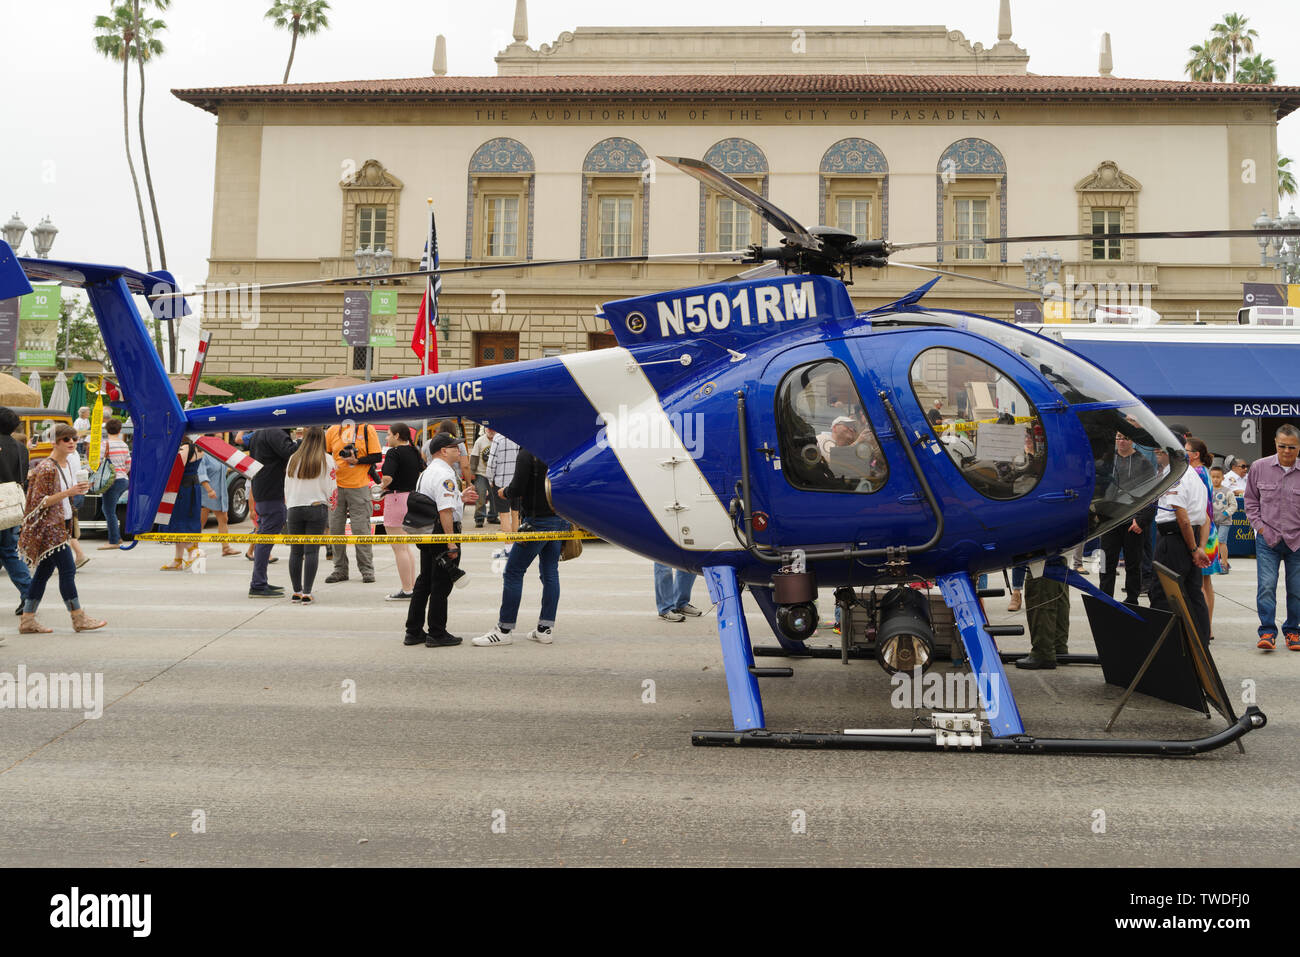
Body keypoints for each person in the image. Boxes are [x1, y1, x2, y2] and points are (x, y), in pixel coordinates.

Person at [473, 448, 570, 646]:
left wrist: (504, 492)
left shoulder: (529, 452)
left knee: (513, 572)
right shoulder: (559, 449)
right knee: (550, 572)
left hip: (536, 521)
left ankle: (504, 629)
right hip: (559, 518)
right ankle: (545, 628)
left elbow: (517, 488)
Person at [17, 423, 105, 633]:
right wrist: (69, 492)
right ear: (55, 442)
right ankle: (78, 617)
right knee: (68, 569)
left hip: (60, 525)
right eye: (66, 439)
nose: (72, 442)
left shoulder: (66, 465)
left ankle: (27, 620)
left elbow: (65, 495)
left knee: (43, 572)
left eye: (74, 439)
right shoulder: (47, 468)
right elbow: (39, 502)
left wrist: (78, 490)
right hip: (49, 529)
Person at [404, 432, 478, 647]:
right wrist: (451, 542)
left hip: (427, 531)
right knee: (441, 584)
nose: (459, 450)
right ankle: (437, 632)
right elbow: (445, 512)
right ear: (443, 451)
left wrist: (459, 498)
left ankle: (414, 630)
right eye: (455, 447)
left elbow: (435, 502)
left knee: (424, 581)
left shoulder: (426, 472)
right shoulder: (445, 475)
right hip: (442, 532)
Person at [1148, 447, 1212, 646]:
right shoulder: (1193, 475)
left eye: (1160, 448)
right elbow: (1205, 519)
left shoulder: (1177, 475)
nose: (1156, 451)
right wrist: (1199, 547)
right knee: (1193, 593)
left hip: (1175, 539)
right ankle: (1201, 644)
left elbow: (1182, 518)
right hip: (1189, 538)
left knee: (1162, 593)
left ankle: (1165, 645)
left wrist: (1194, 549)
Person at [1244, 425, 1300, 652]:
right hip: (1268, 539)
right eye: (1282, 446)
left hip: (1297, 541)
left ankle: (1293, 631)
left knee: (1297, 589)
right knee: (1266, 586)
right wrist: (1260, 528)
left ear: (1298, 447)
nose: (1287, 451)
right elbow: (1250, 501)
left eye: (1292, 447)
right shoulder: (1259, 467)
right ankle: (1267, 630)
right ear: (1275, 444)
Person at [1098, 431, 1158, 605]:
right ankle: (1104, 598)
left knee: (1134, 563)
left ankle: (1132, 599)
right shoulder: (1107, 462)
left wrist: (1142, 519)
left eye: (1125, 438)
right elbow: (1098, 489)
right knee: (1105, 563)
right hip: (1110, 519)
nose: (1121, 441)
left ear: (1133, 441)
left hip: (1133, 520)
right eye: (1118, 437)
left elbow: (1152, 494)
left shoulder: (1144, 463)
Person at [324, 420, 381, 584]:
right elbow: (325, 454)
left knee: (361, 529)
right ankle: (339, 569)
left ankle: (367, 570)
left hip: (359, 486)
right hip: (336, 487)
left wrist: (358, 461)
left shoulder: (367, 429)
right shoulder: (333, 430)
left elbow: (376, 456)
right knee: (335, 529)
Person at [283, 426, 336, 604]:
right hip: (316, 507)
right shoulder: (327, 460)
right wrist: (332, 505)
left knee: (295, 552)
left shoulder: (293, 458)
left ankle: (296, 591)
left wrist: (289, 503)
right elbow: (332, 487)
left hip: (294, 506)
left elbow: (287, 485)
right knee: (312, 551)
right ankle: (307, 592)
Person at [247, 427, 299, 597]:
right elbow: (290, 452)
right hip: (270, 491)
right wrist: (301, 441)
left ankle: (260, 581)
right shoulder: (275, 431)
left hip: (263, 489)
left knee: (265, 535)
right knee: (266, 536)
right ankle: (258, 584)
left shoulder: (260, 432)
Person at [379, 422, 423, 600]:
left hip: (396, 500)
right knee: (406, 548)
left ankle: (407, 589)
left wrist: (379, 487)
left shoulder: (393, 452)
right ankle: (411, 586)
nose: (387, 438)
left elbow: (388, 477)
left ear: (397, 436)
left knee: (399, 548)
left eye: (389, 435)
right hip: (411, 499)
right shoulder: (414, 451)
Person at [1184, 436, 1221, 639]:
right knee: (1206, 583)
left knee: (1199, 584)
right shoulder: (1205, 472)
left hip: (1201, 531)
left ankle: (1203, 627)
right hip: (1210, 530)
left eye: (1186, 451)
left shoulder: (1195, 473)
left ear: (1195, 455)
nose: (1183, 454)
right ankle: (1208, 627)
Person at [0, 406, 32, 616]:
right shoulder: (21, 448)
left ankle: (29, 593)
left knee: (8, 552)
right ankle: (29, 593)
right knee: (9, 551)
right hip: (11, 507)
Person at [1015, 556, 1068, 669]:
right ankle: (1057, 646)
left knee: (1040, 589)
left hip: (1042, 556)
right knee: (1056, 565)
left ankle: (1043, 651)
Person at [158, 440, 204, 572]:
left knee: (179, 523)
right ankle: (178, 560)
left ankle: (193, 551)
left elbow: (176, 469)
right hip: (193, 487)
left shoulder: (185, 448)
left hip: (181, 489)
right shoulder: (199, 448)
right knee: (186, 522)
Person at [196, 434, 239, 557]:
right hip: (206, 493)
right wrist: (209, 490)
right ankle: (194, 548)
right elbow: (201, 474)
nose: (220, 440)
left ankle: (226, 548)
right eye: (218, 438)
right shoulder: (203, 454)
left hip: (220, 493)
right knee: (201, 522)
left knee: (224, 519)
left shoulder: (220, 454)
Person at [96, 418, 133, 550]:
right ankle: (117, 537)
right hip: (123, 480)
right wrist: (122, 472)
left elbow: (99, 463)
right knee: (110, 509)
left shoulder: (104, 444)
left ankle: (114, 541)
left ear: (107, 430)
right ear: (119, 430)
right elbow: (129, 463)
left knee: (108, 510)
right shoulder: (123, 445)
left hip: (111, 481)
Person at [488, 429, 521, 535]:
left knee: (504, 515)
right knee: (516, 513)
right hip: (516, 481)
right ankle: (517, 544)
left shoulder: (498, 438)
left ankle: (508, 547)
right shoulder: (519, 436)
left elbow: (491, 462)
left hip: (501, 482)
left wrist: (490, 479)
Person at [1209, 465, 1236, 574]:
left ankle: (1224, 563)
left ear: (1223, 478)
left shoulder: (1228, 491)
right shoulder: (1208, 490)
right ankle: (1215, 563)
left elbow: (1234, 505)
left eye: (1218, 477)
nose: (1215, 479)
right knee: (1213, 542)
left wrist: (1226, 513)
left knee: (1221, 541)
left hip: (1225, 521)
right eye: (1213, 477)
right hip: (1212, 521)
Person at [469, 425, 497, 527]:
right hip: (481, 473)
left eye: (492, 428)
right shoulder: (480, 441)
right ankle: (479, 518)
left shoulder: (499, 440)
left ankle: (493, 516)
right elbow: (474, 458)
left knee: (495, 496)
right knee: (480, 495)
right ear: (485, 429)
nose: (491, 430)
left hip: (494, 474)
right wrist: (472, 472)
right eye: (489, 428)